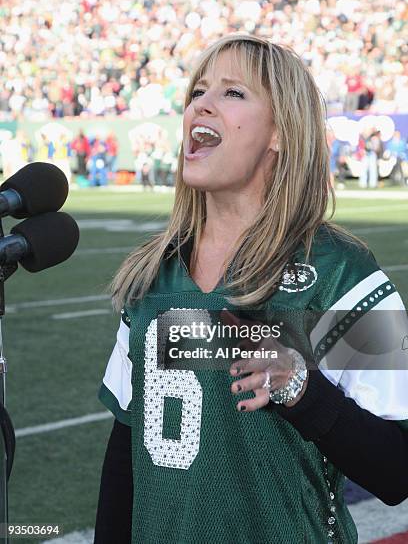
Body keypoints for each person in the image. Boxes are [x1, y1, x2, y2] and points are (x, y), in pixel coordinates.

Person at [94, 34, 408, 544]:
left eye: (233, 93)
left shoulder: (339, 273)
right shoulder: (155, 275)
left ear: (280, 132)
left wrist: (302, 390)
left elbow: (397, 472)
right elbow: (125, 456)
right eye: (199, 90)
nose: (203, 103)